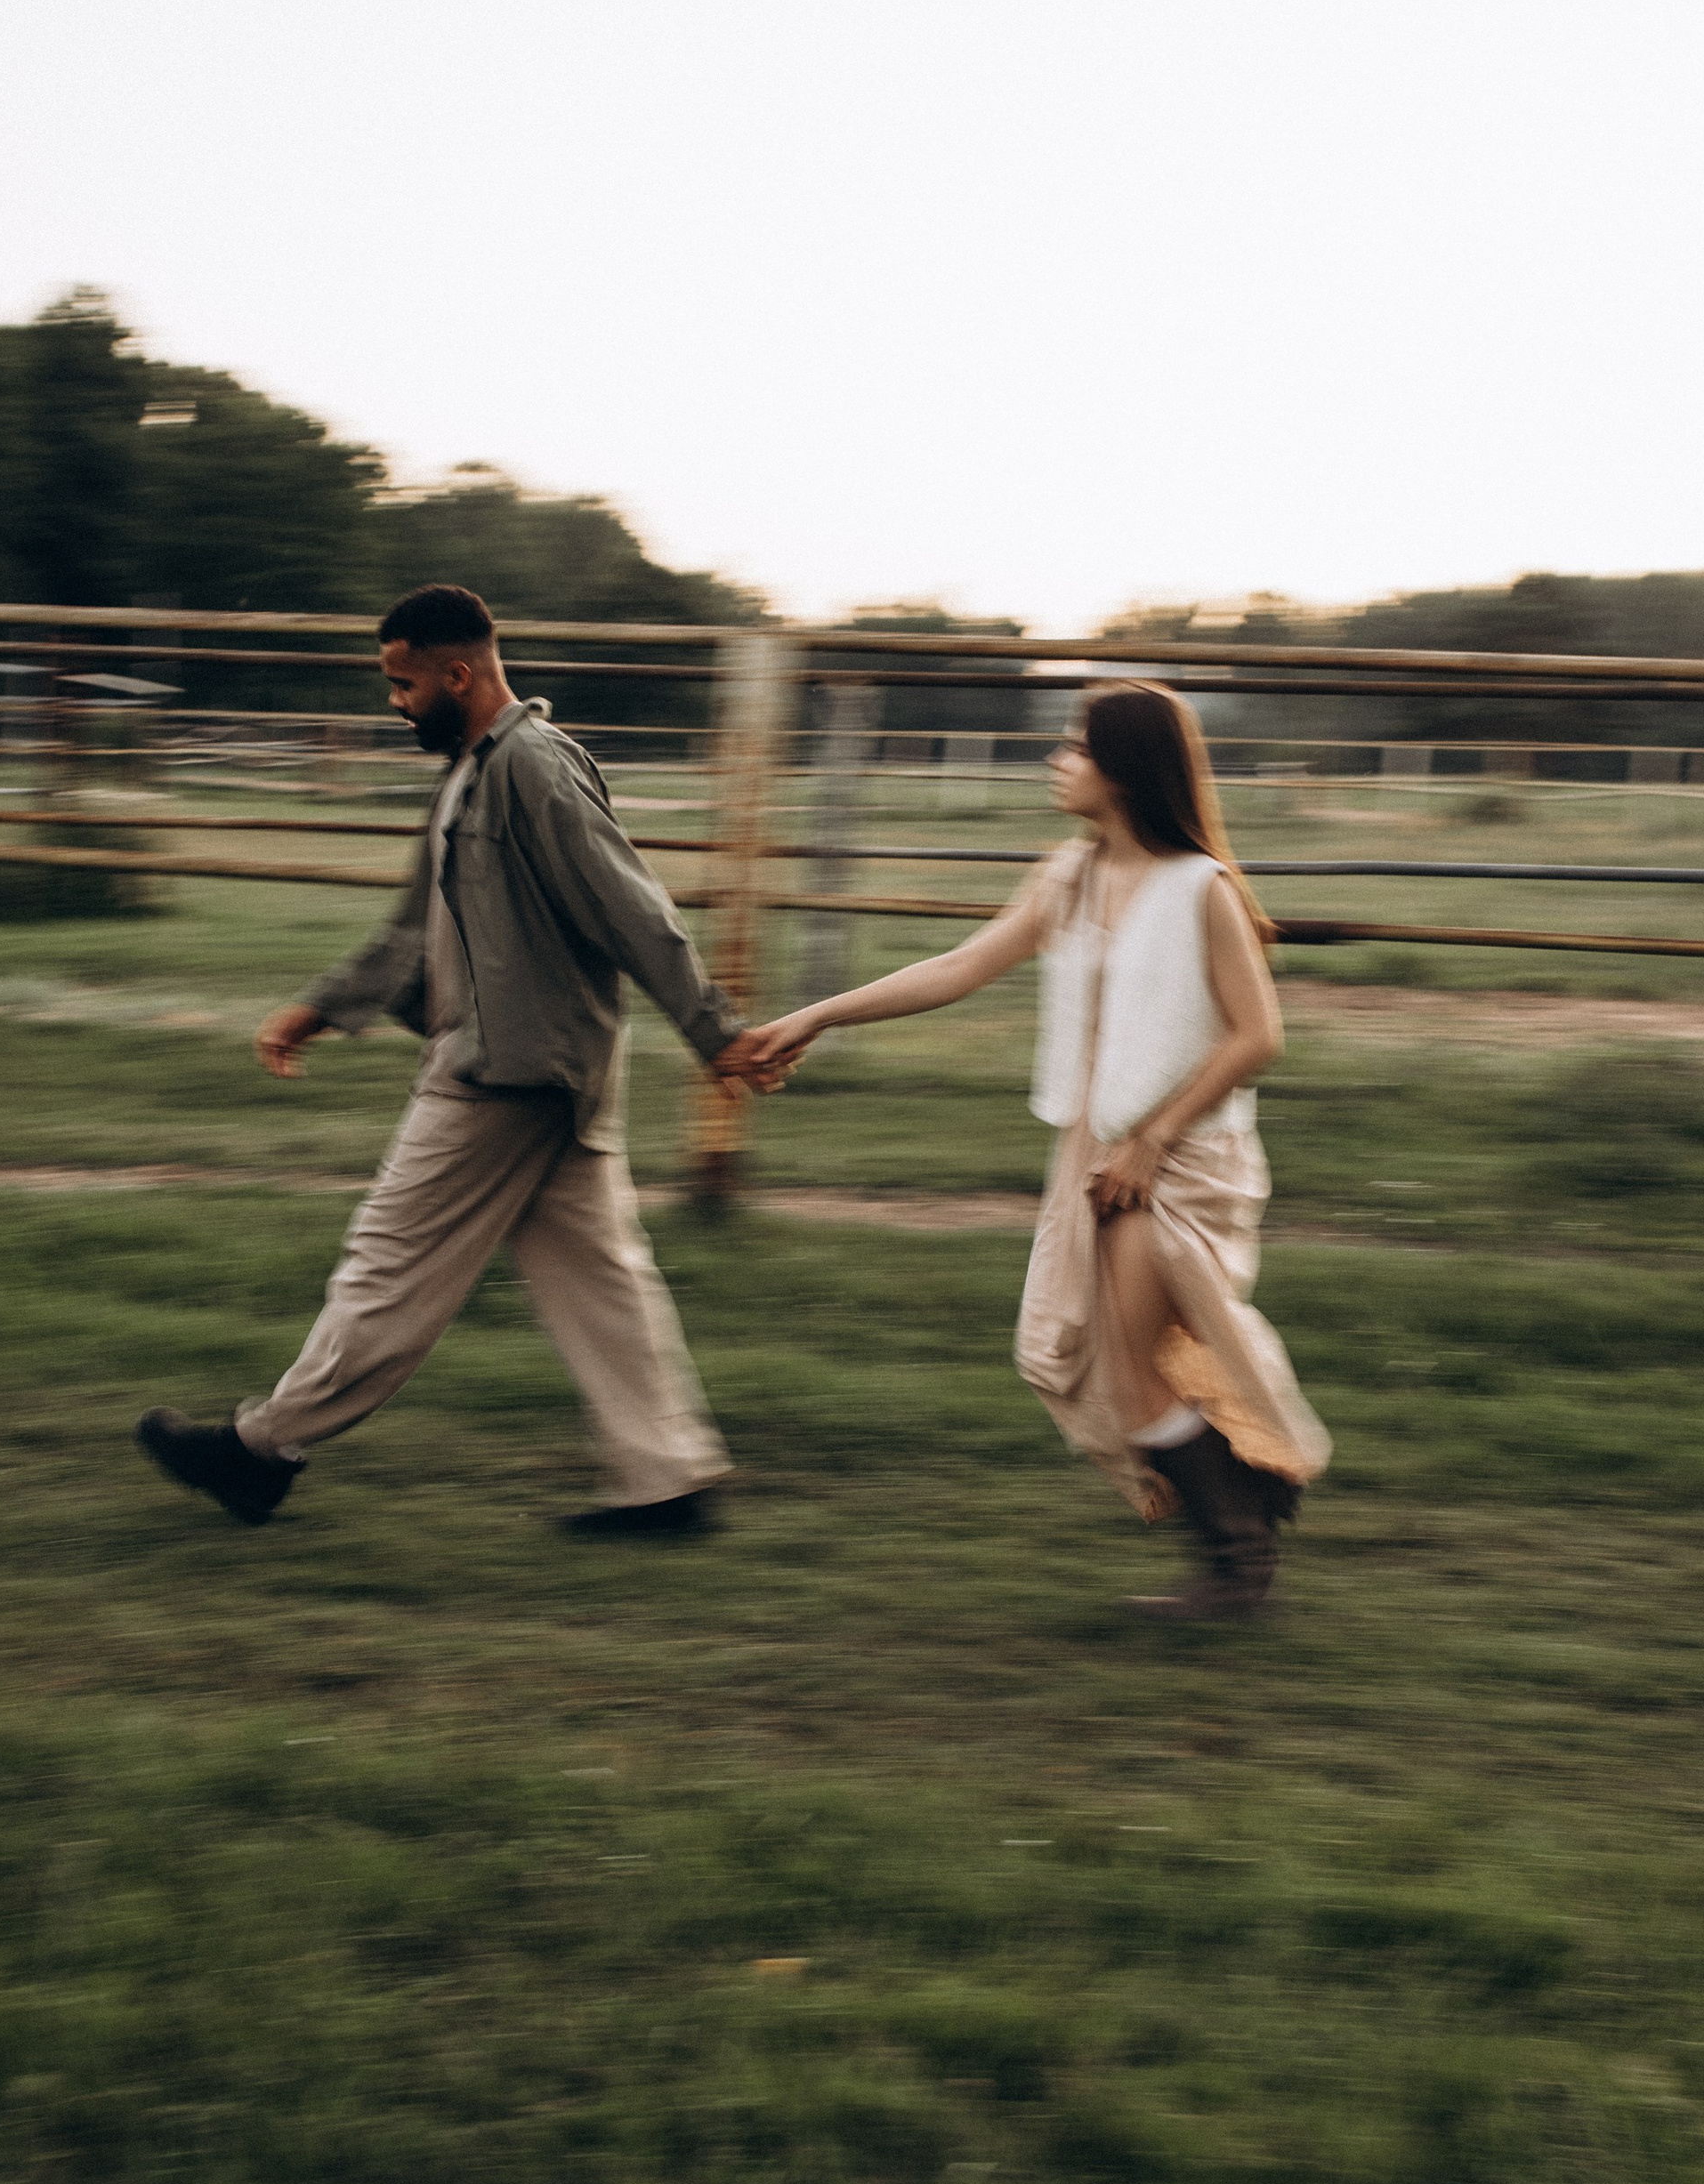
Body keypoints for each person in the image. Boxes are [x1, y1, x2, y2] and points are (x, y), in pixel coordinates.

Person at [136, 584, 776, 1538]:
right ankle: (667, 1482)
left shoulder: (533, 770)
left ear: (458, 673)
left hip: (504, 1075)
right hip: (543, 1071)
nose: (394, 704)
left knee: (387, 1269)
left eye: (403, 685)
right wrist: (320, 1007)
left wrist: (712, 1032)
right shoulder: (473, 772)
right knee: (602, 1282)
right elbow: (415, 928)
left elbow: (631, 908)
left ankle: (258, 1453)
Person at [747, 682, 1328, 1618]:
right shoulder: (1069, 875)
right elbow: (963, 965)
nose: (1056, 761)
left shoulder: (1200, 889)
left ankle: (1239, 1556)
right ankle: (1247, 1496)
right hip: (1098, 1155)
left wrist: (1149, 1140)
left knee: (1133, 1373)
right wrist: (817, 1013)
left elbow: (1258, 1034)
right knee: (1101, 1360)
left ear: (1126, 769)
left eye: (1074, 747)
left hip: (1176, 1158)